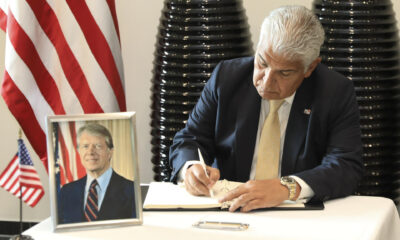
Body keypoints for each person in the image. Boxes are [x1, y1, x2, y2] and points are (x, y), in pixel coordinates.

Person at [169, 5, 363, 212]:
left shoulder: (334, 92)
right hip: (230, 208)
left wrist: (287, 187)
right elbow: (189, 139)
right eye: (262, 63)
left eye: (284, 73)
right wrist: (190, 167)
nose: (267, 82)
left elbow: (346, 165)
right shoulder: (226, 78)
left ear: (310, 68)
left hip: (295, 215)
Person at [58, 123, 136, 224]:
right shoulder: (67, 192)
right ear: (79, 152)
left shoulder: (131, 190)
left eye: (98, 146)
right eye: (85, 146)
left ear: (110, 152)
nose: (90, 152)